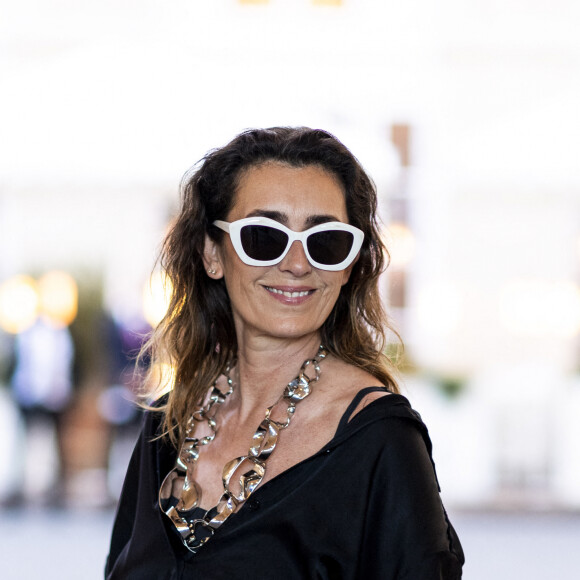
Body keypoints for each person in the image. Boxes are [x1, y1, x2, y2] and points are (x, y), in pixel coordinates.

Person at [105, 127, 464, 579]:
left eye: (327, 241)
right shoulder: (166, 425)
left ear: (351, 265)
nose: (297, 264)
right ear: (212, 253)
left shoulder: (380, 442)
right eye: (263, 237)